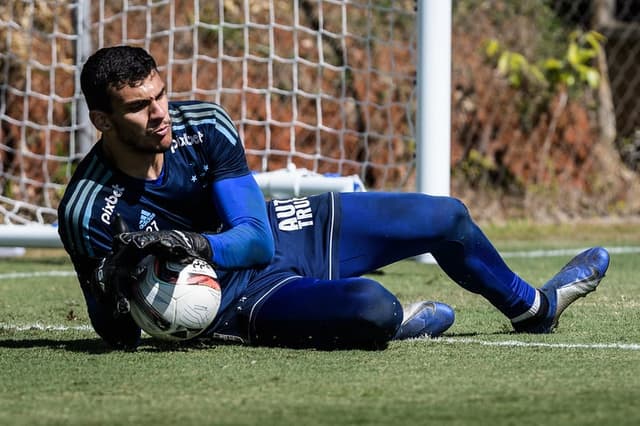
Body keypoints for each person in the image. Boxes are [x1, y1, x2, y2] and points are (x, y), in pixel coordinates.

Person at [58, 45, 610, 350]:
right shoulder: (85, 211)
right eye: (138, 107)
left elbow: (252, 241)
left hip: (279, 233)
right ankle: (391, 320)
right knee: (373, 308)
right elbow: (115, 334)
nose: (160, 114)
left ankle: (532, 309)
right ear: (102, 119)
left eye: (160, 95)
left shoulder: (203, 124)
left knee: (448, 216)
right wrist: (118, 285)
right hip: (233, 304)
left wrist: (196, 243)